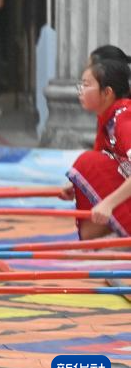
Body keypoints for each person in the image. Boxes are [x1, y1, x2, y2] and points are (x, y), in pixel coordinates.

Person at [61, 57, 131, 239]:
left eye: (86, 85)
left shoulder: (124, 119)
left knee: (87, 162)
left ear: (107, 93)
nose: (80, 91)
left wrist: (108, 203)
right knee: (86, 166)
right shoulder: (106, 119)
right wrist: (76, 183)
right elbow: (103, 159)